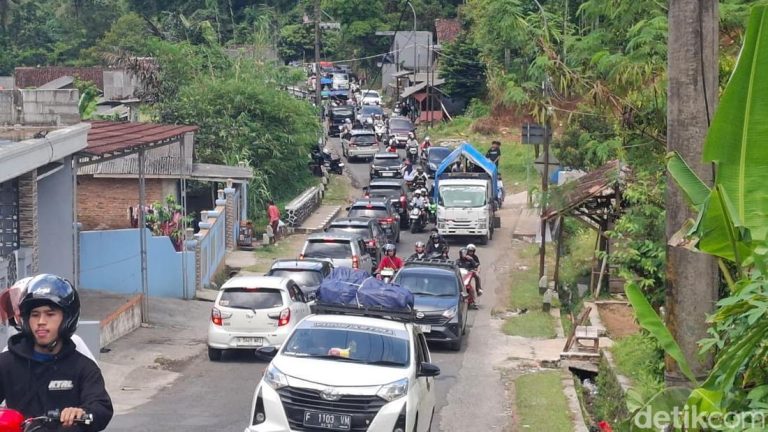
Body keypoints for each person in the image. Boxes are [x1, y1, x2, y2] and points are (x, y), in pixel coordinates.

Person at [0, 274, 113, 430]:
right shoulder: (6, 363)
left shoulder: (83, 367)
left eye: (50, 314)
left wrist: (81, 413)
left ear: (67, 319)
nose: (41, 321)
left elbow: (101, 407)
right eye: (35, 315)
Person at [1, 278, 97, 363]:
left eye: (49, 314)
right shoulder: (9, 354)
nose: (18, 313)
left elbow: (92, 376)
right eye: (34, 314)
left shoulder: (75, 343)